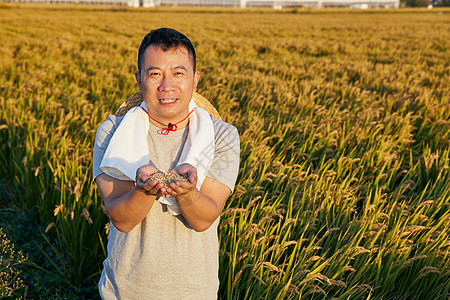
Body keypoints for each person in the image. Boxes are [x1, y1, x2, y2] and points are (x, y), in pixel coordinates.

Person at [92, 28, 240, 299]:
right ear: (139, 79)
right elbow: (120, 219)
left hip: (194, 292)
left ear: (195, 80)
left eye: (179, 73)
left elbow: (204, 219)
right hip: (125, 291)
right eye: (154, 73)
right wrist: (144, 190)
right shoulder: (112, 132)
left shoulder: (221, 135)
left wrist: (187, 192)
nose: (167, 86)